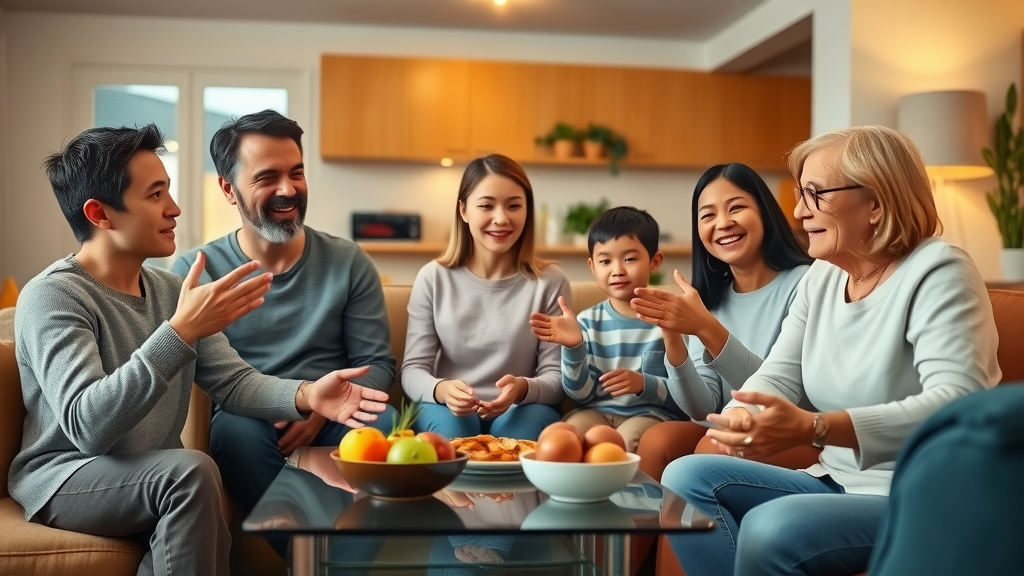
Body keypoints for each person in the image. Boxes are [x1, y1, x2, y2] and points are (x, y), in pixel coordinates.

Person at [9, 124, 389, 576]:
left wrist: (308, 395)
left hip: (148, 473)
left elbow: (234, 383)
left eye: (168, 191)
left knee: (195, 498)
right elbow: (88, 428)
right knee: (192, 473)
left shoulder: (172, 291)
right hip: (67, 476)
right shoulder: (54, 295)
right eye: (155, 195)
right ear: (100, 213)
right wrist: (179, 331)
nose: (174, 208)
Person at [661, 125, 1001, 576]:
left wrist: (817, 426)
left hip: (920, 493)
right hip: (834, 479)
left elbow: (956, 405)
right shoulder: (822, 276)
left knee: (771, 527)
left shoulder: (939, 270)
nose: (799, 212)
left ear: (876, 203)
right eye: (800, 195)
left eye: (815, 194)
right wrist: (742, 416)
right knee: (683, 479)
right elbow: (778, 375)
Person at [170, 110, 397, 557]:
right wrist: (297, 400)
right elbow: (199, 374)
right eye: (267, 177)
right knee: (233, 432)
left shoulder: (348, 262)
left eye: (296, 173)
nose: (288, 189)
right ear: (228, 189)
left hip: (334, 413)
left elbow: (378, 363)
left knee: (383, 422)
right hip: (249, 418)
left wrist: (319, 410)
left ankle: (343, 563)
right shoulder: (199, 272)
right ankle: (309, 558)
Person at [631, 163, 812, 479]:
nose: (723, 223)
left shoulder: (806, 283)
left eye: (736, 208)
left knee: (712, 446)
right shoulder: (709, 300)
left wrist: (706, 328)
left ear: (765, 212)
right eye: (708, 215)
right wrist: (673, 336)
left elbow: (779, 392)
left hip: (795, 431)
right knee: (657, 441)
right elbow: (702, 408)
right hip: (730, 426)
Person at [402, 153, 570, 441]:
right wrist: (441, 390)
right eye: (486, 206)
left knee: (516, 434)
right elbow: (413, 370)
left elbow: (557, 378)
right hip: (447, 409)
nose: (501, 219)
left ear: (527, 210)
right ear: (464, 211)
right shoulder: (433, 277)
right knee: (454, 433)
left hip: (523, 408)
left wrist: (523, 388)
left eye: (514, 206)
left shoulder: (551, 282)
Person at [529, 206, 687, 452]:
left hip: (650, 415)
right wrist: (574, 347)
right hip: (595, 412)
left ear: (654, 262)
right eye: (605, 261)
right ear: (593, 267)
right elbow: (580, 395)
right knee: (560, 436)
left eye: (630, 259)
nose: (617, 270)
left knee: (622, 444)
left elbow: (685, 396)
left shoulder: (669, 320)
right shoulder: (586, 322)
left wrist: (643, 383)